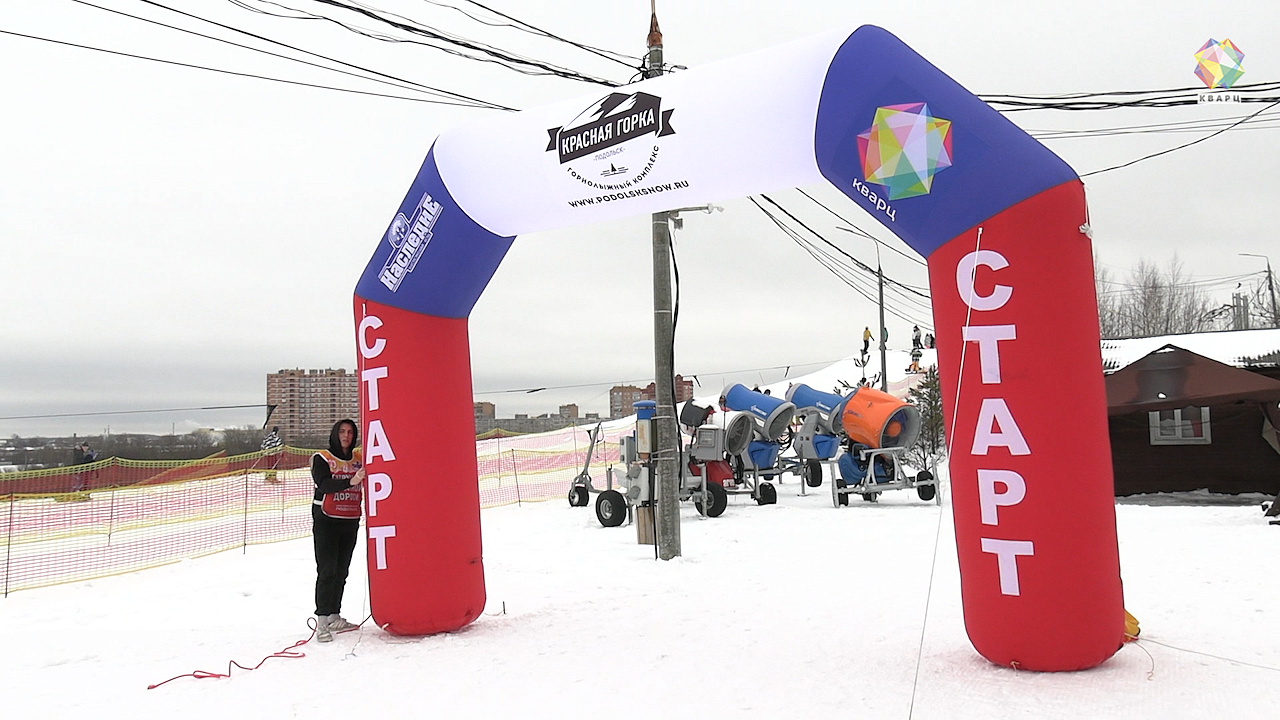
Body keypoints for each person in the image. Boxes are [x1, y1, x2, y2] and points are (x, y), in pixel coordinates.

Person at [311, 419, 365, 642]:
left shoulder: (358, 459)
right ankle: (322, 621)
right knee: (327, 570)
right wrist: (350, 481)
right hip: (326, 519)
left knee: (342, 570)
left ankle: (335, 615)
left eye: (350, 432)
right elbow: (324, 484)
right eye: (342, 431)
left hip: (350, 518)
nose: (346, 436)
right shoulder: (322, 458)